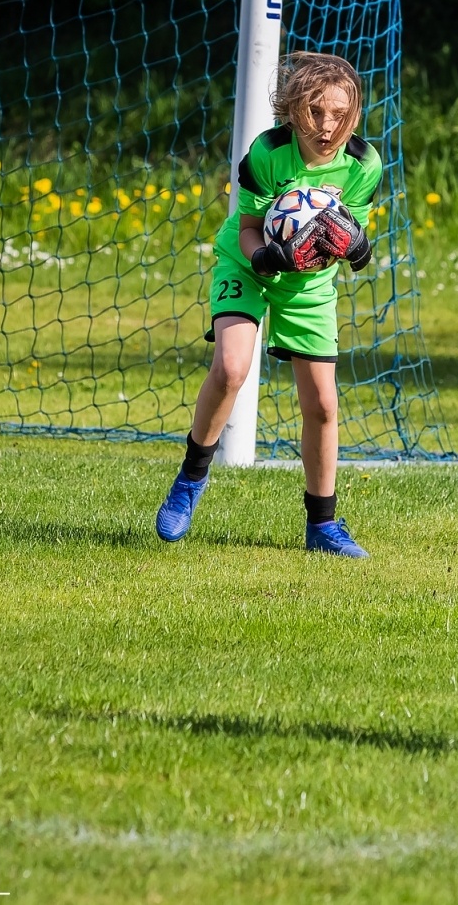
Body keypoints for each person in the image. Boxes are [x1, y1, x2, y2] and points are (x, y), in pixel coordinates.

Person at [155, 51, 378, 557]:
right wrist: (263, 259)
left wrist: (357, 246)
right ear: (294, 111)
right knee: (231, 368)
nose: (327, 126)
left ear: (354, 114)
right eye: (315, 113)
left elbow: (349, 232)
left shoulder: (363, 164)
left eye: (339, 114)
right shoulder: (266, 152)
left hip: (309, 284)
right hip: (248, 263)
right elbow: (252, 229)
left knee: (322, 404)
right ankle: (190, 480)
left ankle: (322, 526)